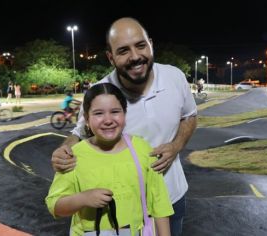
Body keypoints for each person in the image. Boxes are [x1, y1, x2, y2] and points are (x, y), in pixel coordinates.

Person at [51, 17, 197, 236]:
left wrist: (176, 145)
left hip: (171, 195)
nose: (135, 57)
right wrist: (64, 150)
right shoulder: (102, 93)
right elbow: (80, 132)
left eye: (140, 45)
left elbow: (189, 116)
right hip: (123, 207)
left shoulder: (174, 77)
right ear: (111, 57)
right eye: (123, 51)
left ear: (150, 44)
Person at [46, 83, 173, 236]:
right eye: (98, 113)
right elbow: (55, 206)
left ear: (125, 114)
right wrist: (83, 198)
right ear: (86, 118)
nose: (108, 120)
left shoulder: (143, 149)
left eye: (115, 112)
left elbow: (160, 203)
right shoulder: (74, 156)